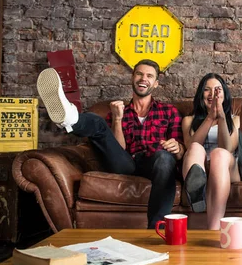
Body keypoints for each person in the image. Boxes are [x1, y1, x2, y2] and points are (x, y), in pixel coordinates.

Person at [36, 59, 184, 229]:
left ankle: (157, 228)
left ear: (155, 83)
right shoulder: (119, 111)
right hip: (126, 163)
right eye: (139, 74)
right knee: (98, 124)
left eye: (149, 76)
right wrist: (117, 118)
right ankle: (70, 117)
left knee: (165, 158)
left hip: (156, 163)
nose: (144, 78)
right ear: (132, 78)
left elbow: (179, 154)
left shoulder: (168, 111)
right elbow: (117, 150)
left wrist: (178, 147)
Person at [181, 73, 240, 230]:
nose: (212, 94)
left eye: (217, 89)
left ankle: (214, 228)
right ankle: (196, 192)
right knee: (195, 148)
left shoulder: (235, 120)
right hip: (198, 165)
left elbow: (227, 148)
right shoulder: (188, 120)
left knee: (219, 154)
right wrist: (209, 117)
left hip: (225, 167)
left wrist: (221, 117)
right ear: (201, 95)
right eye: (207, 90)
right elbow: (190, 145)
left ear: (224, 95)